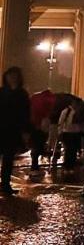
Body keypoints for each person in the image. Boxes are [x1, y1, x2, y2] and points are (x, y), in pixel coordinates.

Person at [0, 67, 30, 195]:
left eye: (15, 75)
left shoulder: (22, 94)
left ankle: (5, 185)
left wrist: (25, 131)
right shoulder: (1, 92)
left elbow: (25, 113)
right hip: (1, 128)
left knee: (8, 159)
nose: (12, 78)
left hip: (13, 130)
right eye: (10, 75)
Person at [57, 97, 84, 171]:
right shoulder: (66, 111)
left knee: (73, 150)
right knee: (69, 150)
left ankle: (71, 166)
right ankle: (68, 166)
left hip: (76, 133)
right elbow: (61, 122)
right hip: (67, 132)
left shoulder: (79, 112)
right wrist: (60, 132)